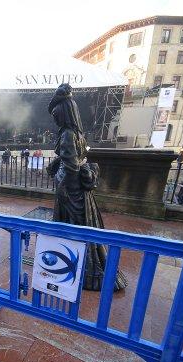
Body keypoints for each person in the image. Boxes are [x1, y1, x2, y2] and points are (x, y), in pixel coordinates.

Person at [46, 84, 127, 292]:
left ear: (63, 114)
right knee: (84, 230)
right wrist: (59, 162)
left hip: (70, 193)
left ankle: (73, 269)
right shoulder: (77, 133)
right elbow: (75, 160)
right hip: (80, 192)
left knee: (71, 230)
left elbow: (72, 166)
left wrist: (61, 187)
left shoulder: (66, 135)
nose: (54, 119)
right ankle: (84, 267)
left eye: (56, 115)